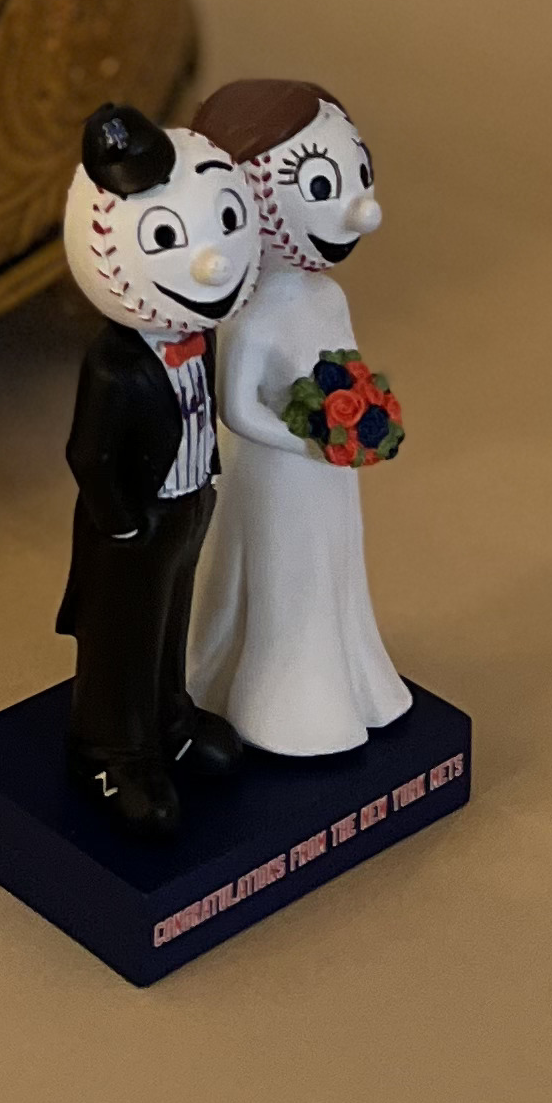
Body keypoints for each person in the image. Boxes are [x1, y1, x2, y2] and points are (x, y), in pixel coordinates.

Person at [185, 76, 411, 757]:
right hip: (278, 476)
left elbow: (348, 370)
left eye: (359, 175)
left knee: (337, 566)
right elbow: (236, 409)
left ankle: (352, 676)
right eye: (322, 185)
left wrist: (361, 420)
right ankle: (281, 701)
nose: (363, 209)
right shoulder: (251, 316)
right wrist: (307, 438)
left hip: (328, 472)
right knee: (288, 578)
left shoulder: (328, 299)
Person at [57, 102, 262, 835]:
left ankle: (168, 717)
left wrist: (203, 487)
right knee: (122, 638)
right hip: (134, 524)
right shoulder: (114, 366)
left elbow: (200, 414)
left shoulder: (198, 338)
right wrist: (122, 526)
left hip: (188, 503)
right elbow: (88, 454)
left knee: (172, 619)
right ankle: (111, 751)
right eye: (171, 238)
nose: (212, 262)